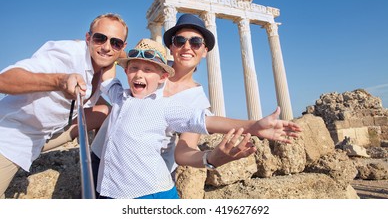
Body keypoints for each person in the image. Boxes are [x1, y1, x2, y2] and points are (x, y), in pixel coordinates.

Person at [96, 38, 301, 199]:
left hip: (151, 192)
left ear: (162, 77)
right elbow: (107, 75)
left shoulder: (167, 106)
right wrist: (113, 45)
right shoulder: (120, 95)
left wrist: (253, 126)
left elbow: (205, 121)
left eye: (148, 69)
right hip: (110, 187)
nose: (139, 74)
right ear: (126, 71)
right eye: (134, 68)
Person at [0, 13, 128, 198]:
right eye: (100, 38)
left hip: (46, 135)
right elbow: (4, 80)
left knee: (108, 111)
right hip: (12, 136)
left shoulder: (107, 60)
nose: (107, 47)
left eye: (115, 43)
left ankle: (101, 169)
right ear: (88, 38)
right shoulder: (66, 54)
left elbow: (121, 53)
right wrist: (59, 81)